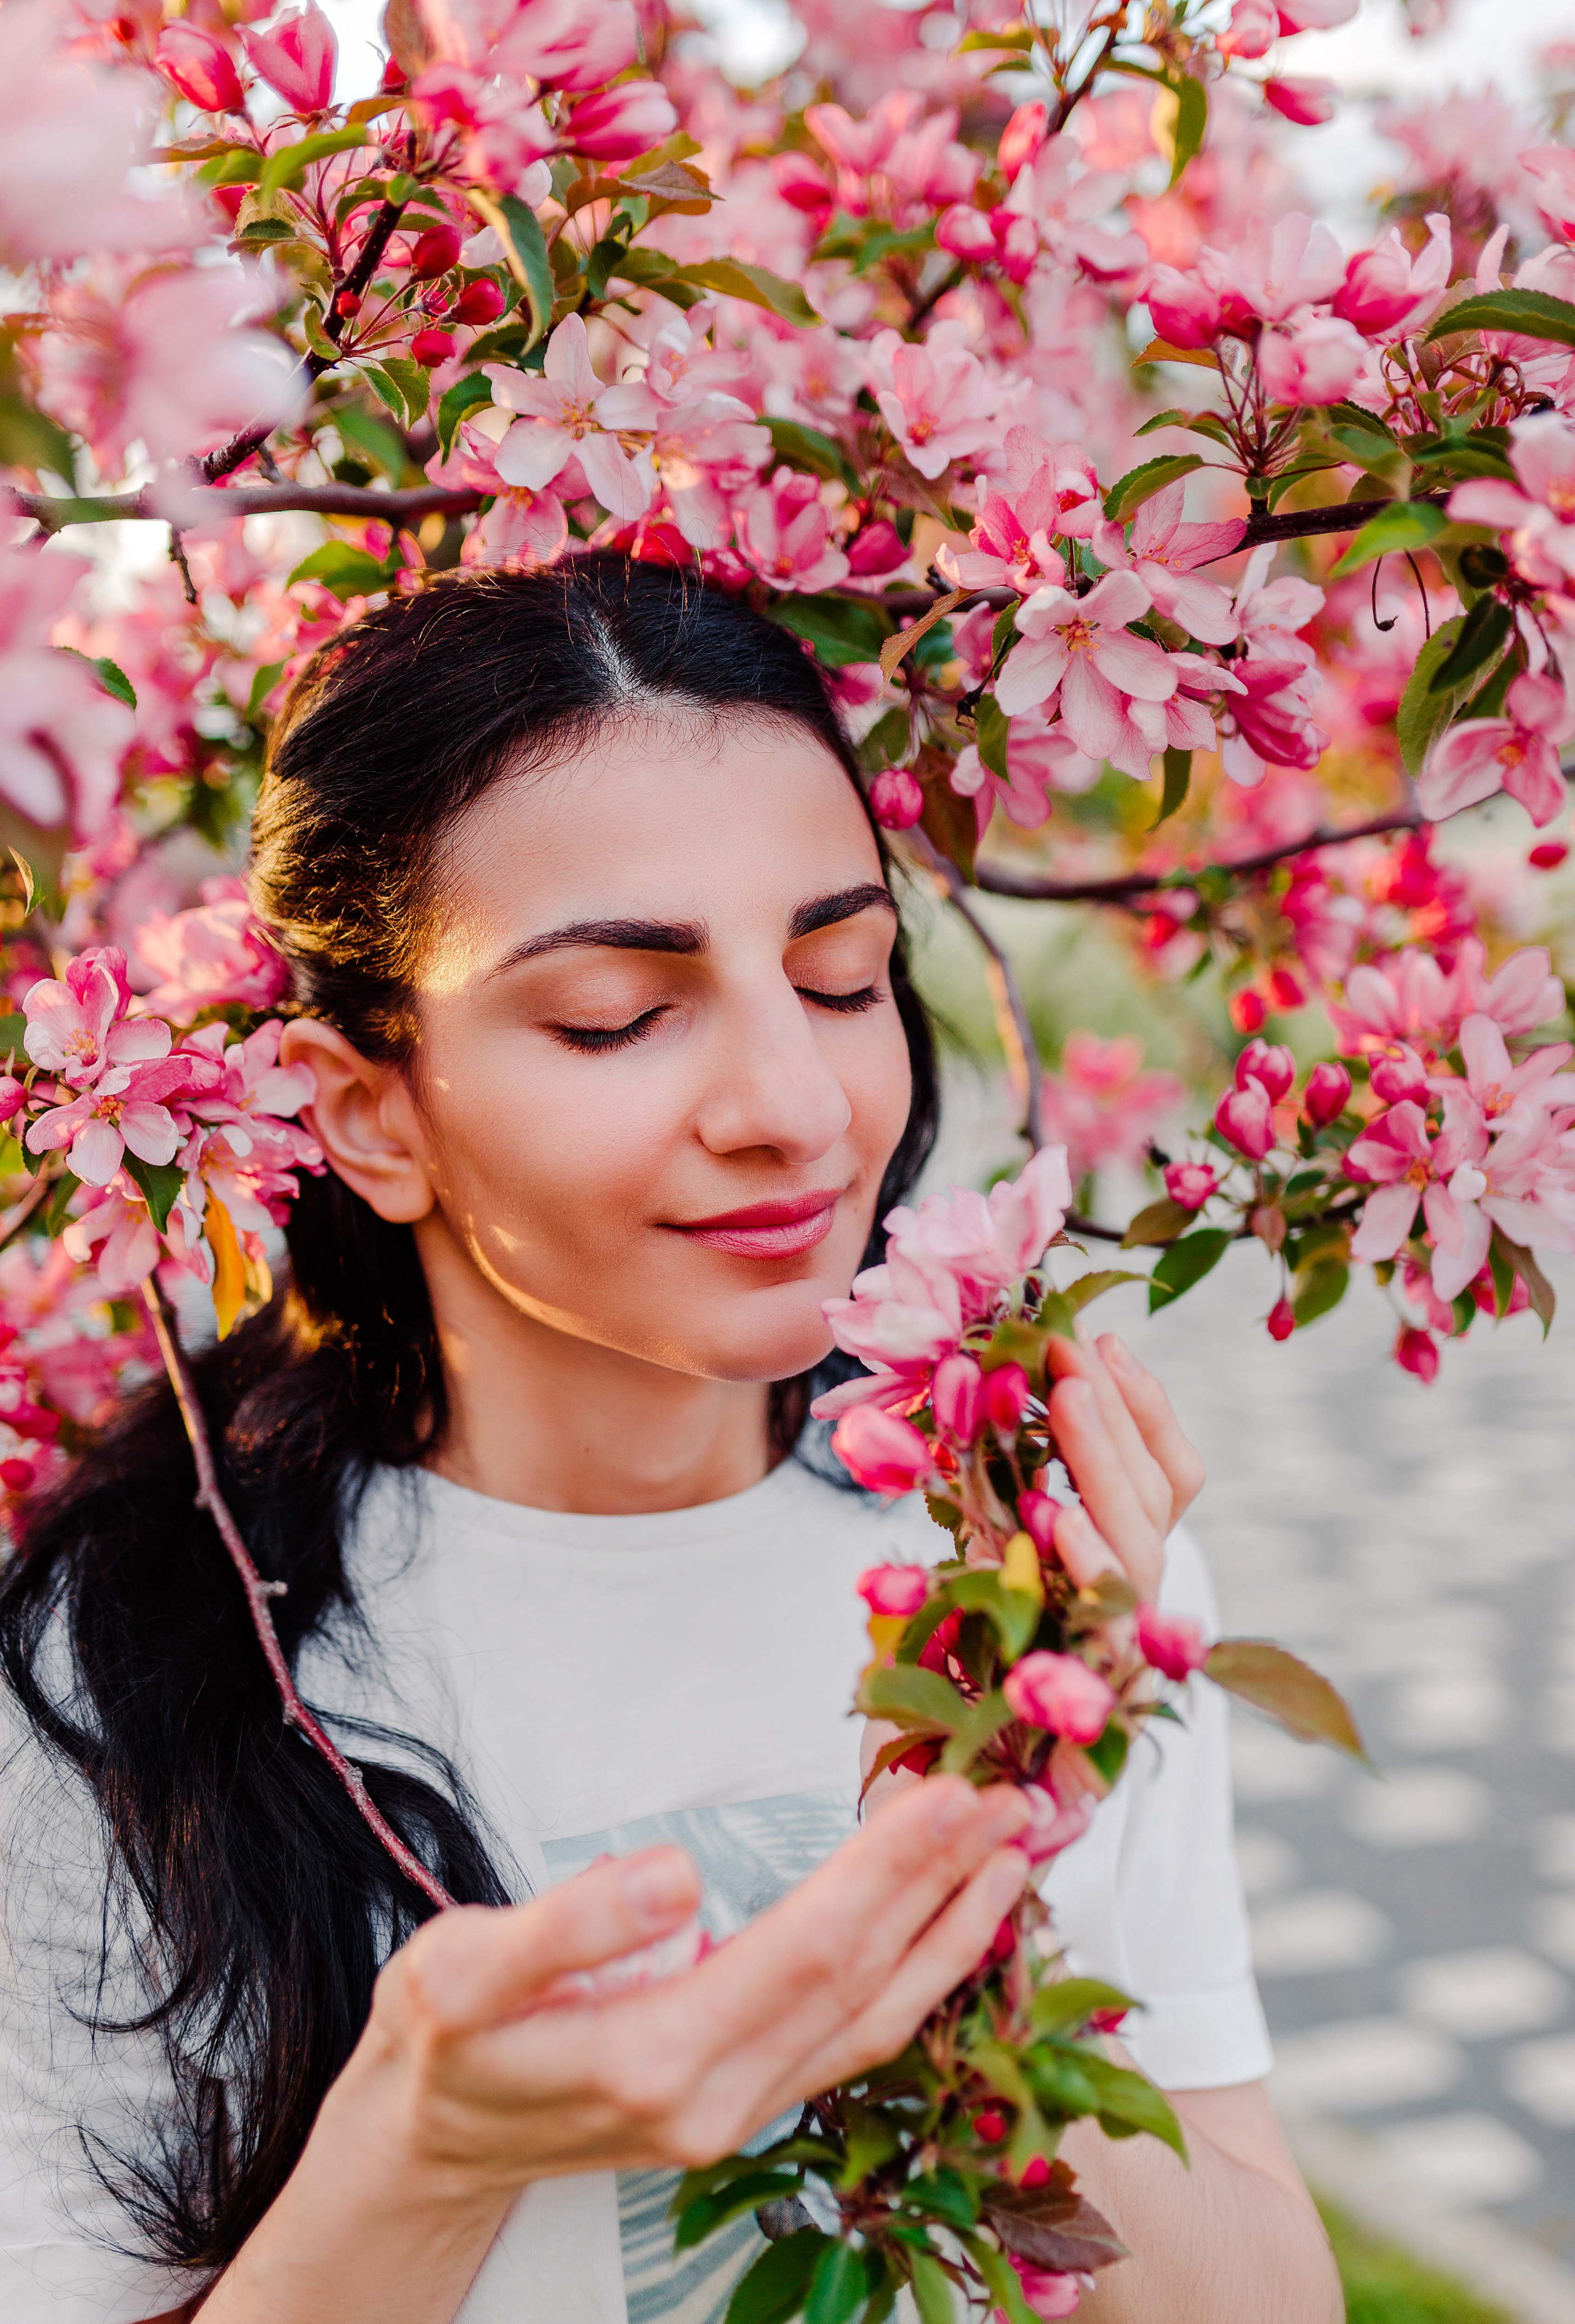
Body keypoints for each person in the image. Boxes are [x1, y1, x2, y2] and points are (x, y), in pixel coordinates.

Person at [0, 559, 1339, 2324]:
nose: (791, 1110)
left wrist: (1005, 1824)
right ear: (367, 1116)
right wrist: (427, 2156)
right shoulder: (129, 1670)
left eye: (845, 977)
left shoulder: (1022, 1567)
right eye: (618, 1018)